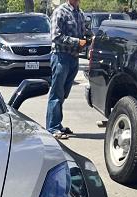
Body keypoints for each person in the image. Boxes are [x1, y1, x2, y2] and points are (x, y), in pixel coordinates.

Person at [46, 0, 86, 140]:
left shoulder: (80, 13)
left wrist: (90, 38)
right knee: (56, 92)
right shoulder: (60, 11)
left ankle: (57, 124)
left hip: (74, 58)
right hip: (60, 57)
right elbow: (56, 36)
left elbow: (84, 33)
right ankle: (52, 128)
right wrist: (77, 42)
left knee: (63, 93)